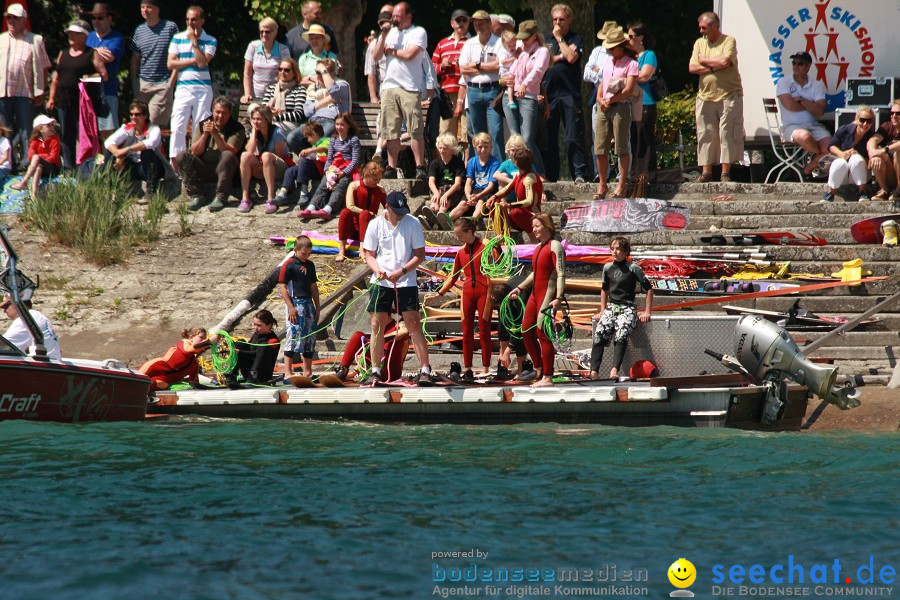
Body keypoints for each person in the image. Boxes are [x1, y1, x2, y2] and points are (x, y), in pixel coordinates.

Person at [362, 191, 433, 385]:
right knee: (377, 324)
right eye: (397, 211)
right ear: (388, 208)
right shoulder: (375, 224)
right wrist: (377, 270)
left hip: (406, 281)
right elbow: (369, 254)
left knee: (413, 324)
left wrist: (402, 271)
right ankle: (375, 370)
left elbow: (419, 255)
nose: (401, 214)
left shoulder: (412, 223)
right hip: (381, 281)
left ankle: (425, 369)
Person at [432, 217, 498, 381]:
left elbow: (499, 261)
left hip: (485, 291)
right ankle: (467, 368)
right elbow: (452, 277)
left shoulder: (485, 246)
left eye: (460, 235)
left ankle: (485, 368)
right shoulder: (461, 252)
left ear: (469, 232)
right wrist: (438, 294)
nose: (457, 239)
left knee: (484, 330)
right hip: (468, 292)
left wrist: (497, 246)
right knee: (467, 331)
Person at [372, 2, 429, 180]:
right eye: (393, 16)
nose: (393, 19)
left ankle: (420, 166)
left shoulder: (418, 32)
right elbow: (376, 56)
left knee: (415, 129)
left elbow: (410, 54)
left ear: (408, 16)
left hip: (410, 87)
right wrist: (383, 35)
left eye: (397, 15)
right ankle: (391, 166)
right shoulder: (390, 34)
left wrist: (393, 51)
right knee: (390, 130)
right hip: (389, 87)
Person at [507, 212, 565, 387]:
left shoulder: (555, 246)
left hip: (548, 293)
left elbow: (561, 273)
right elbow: (535, 273)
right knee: (525, 330)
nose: (534, 230)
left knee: (543, 333)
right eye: (533, 227)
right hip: (534, 294)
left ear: (547, 226)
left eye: (537, 226)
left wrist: (559, 298)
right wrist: (520, 287)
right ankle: (539, 368)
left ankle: (548, 377)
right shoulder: (538, 247)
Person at [688, 11, 743, 183]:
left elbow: (726, 62)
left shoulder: (729, 41)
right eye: (700, 28)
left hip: (729, 94)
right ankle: (706, 172)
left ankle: (725, 173)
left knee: (727, 133)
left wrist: (704, 61)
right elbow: (692, 67)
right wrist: (714, 66)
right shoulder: (699, 43)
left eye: (704, 27)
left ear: (714, 26)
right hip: (705, 96)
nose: (701, 31)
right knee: (706, 133)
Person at [46, 20, 107, 170]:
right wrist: (52, 98)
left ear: (84, 36)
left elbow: (104, 75)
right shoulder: (64, 53)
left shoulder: (92, 53)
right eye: (69, 34)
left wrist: (90, 76)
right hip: (64, 101)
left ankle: (89, 168)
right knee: (67, 135)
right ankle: (69, 167)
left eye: (75, 34)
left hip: (84, 104)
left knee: (86, 135)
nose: (71, 36)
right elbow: (56, 78)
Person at [590, 236, 652, 380]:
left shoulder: (633, 268)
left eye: (618, 249)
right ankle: (594, 372)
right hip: (613, 306)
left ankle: (614, 370)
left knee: (621, 334)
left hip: (628, 307)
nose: (614, 252)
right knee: (599, 333)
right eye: (612, 249)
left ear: (625, 251)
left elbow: (649, 288)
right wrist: (602, 310)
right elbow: (604, 289)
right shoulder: (607, 268)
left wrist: (647, 311)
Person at [0, 3, 51, 173]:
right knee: (5, 130)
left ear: (23, 20)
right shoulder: (1, 38)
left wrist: (41, 91)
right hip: (2, 92)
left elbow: (44, 67)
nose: (11, 21)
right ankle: (8, 163)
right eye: (9, 17)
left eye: (15, 17)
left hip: (25, 92)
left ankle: (26, 163)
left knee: (25, 130)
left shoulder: (34, 40)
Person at [543, 4, 589, 183]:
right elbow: (545, 63)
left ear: (569, 19)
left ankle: (579, 174)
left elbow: (571, 57)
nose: (557, 22)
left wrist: (560, 40)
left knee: (573, 137)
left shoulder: (576, 38)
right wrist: (559, 55)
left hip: (570, 94)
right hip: (549, 95)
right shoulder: (546, 40)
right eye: (555, 19)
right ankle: (551, 176)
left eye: (561, 19)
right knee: (549, 138)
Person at [177, 95, 246, 212]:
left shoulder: (237, 128)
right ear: (212, 111)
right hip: (205, 168)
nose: (220, 116)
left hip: (227, 170)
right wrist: (205, 135)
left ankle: (221, 197)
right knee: (182, 156)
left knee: (227, 155)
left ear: (230, 114)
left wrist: (215, 134)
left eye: (224, 113)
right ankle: (197, 195)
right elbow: (194, 151)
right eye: (217, 112)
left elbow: (230, 150)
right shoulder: (202, 124)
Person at [167, 6, 217, 163]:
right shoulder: (178, 38)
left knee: (199, 126)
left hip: (203, 88)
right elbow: (170, 63)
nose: (190, 23)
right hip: (183, 87)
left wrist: (194, 43)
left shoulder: (210, 40)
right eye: (188, 19)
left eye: (194, 19)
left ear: (202, 21)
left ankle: (196, 163)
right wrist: (192, 61)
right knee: (177, 125)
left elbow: (202, 63)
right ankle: (175, 164)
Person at [594, 26, 637, 199]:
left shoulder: (631, 64)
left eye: (613, 48)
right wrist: (600, 99)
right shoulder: (607, 63)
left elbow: (628, 90)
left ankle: (621, 185)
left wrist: (610, 100)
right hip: (604, 107)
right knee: (600, 148)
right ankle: (602, 185)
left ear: (621, 46)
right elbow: (601, 86)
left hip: (620, 107)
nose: (610, 51)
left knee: (621, 146)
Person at [297, 111, 360, 221]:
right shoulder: (334, 139)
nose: (339, 127)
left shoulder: (353, 140)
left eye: (342, 124)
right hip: (334, 167)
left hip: (347, 169)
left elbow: (355, 160)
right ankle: (311, 207)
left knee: (340, 186)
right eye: (337, 124)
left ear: (349, 125)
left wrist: (344, 172)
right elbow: (329, 158)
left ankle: (328, 209)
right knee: (323, 185)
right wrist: (327, 170)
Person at [459, 10, 504, 163]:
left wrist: (477, 65)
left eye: (481, 22)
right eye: (475, 23)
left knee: (496, 131)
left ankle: (499, 171)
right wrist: (487, 66)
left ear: (489, 23)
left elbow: (499, 66)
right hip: (473, 90)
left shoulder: (499, 42)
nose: (477, 25)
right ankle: (477, 169)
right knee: (476, 134)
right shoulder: (469, 43)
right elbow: (463, 68)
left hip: (493, 90)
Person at [775, 51, 830, 177]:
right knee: (805, 137)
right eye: (794, 63)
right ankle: (818, 156)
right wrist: (811, 104)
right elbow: (790, 106)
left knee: (831, 148)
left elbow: (820, 111)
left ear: (808, 66)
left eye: (800, 63)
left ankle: (808, 168)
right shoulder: (784, 82)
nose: (795, 66)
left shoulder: (817, 84)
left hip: (813, 125)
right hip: (791, 127)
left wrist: (802, 100)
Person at [507, 20, 549, 175]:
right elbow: (511, 71)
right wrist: (504, 79)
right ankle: (519, 172)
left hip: (529, 96)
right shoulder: (522, 53)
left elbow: (538, 71)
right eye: (521, 38)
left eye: (526, 38)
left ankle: (540, 173)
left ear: (534, 36)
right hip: (512, 95)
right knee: (515, 139)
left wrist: (524, 84)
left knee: (527, 139)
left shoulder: (542, 52)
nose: (522, 41)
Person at [104, 99, 165, 203]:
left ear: (145, 116)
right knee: (110, 154)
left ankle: (151, 193)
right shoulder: (128, 128)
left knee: (147, 152)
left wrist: (126, 149)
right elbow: (109, 142)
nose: (133, 117)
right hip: (134, 167)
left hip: (152, 167)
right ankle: (109, 192)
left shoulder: (154, 129)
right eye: (131, 114)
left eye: (137, 114)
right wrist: (118, 155)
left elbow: (150, 143)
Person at [130, 0, 178, 128]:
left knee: (154, 124)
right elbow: (135, 58)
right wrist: (135, 82)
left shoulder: (170, 27)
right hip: (143, 84)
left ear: (157, 9)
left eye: (149, 7)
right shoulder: (139, 31)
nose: (145, 10)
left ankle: (154, 148)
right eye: (142, 7)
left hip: (162, 84)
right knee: (139, 124)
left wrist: (171, 83)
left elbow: (178, 55)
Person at [277, 235, 320, 379]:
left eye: (309, 254)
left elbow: (313, 286)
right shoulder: (289, 264)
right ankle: (288, 373)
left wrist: (317, 307)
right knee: (293, 336)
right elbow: (283, 287)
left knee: (309, 337)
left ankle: (307, 372)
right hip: (295, 303)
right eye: (303, 253)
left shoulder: (310, 265)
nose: (306, 256)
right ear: (295, 249)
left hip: (308, 304)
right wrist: (290, 307)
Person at [238, 104, 289, 213]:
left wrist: (261, 169)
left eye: (259, 119)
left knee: (266, 155)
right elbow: (250, 151)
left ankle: (271, 199)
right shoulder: (255, 131)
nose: (256, 122)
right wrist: (254, 132)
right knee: (244, 156)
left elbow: (280, 156)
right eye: (254, 119)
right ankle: (245, 198)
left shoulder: (277, 132)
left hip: (279, 167)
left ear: (267, 120)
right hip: (264, 166)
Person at [84, 3, 125, 134]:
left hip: (107, 90)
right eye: (93, 18)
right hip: (87, 92)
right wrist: (96, 51)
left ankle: (109, 155)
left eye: (100, 18)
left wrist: (89, 52)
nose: (96, 21)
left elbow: (109, 57)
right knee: (88, 131)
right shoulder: (87, 36)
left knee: (107, 131)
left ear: (110, 18)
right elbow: (79, 56)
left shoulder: (117, 38)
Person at [822, 105, 876, 203]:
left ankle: (862, 192)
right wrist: (842, 154)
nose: (865, 124)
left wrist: (859, 156)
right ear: (856, 118)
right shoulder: (845, 129)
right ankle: (831, 193)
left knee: (856, 158)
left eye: (869, 121)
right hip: (842, 172)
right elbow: (831, 146)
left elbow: (871, 160)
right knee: (840, 162)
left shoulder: (872, 136)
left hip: (859, 174)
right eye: (862, 120)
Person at [488, 147, 542, 241]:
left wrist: (509, 205)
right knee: (494, 202)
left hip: (531, 216)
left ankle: (532, 237)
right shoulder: (518, 175)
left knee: (515, 212)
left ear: (517, 163)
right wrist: (494, 196)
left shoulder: (529, 178)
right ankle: (501, 234)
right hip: (518, 218)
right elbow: (507, 189)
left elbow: (529, 201)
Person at [139, 326, 218, 391]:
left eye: (205, 339)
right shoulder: (184, 343)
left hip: (165, 379)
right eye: (201, 337)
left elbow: (194, 383)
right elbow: (189, 350)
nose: (203, 340)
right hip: (154, 367)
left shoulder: (194, 365)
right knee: (135, 382)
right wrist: (208, 342)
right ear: (191, 337)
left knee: (144, 387)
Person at [432, 9, 469, 142]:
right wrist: (441, 65)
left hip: (468, 92)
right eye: (458, 20)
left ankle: (467, 163)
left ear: (469, 23)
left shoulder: (472, 42)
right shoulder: (442, 43)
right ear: (452, 23)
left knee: (467, 133)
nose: (461, 23)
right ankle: (447, 163)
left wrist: (464, 63)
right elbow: (431, 69)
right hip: (447, 93)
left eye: (464, 20)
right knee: (446, 133)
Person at [337, 160, 386, 262]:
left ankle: (362, 249)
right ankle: (342, 249)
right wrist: (366, 212)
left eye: (379, 179)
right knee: (345, 212)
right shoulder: (354, 186)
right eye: (375, 179)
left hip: (370, 228)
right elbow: (350, 206)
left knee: (365, 214)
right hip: (353, 229)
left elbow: (388, 207)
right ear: (366, 175)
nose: (377, 182)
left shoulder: (380, 189)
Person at [629, 22, 660, 183]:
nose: (628, 40)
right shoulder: (632, 57)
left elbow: (644, 76)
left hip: (646, 102)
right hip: (633, 102)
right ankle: (635, 174)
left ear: (640, 37)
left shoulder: (649, 55)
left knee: (645, 139)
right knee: (635, 139)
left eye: (631, 36)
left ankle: (648, 175)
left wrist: (627, 77)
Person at [274, 121, 329, 210]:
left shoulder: (326, 140)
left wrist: (310, 151)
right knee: (291, 170)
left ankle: (304, 192)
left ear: (314, 134)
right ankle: (283, 193)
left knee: (304, 160)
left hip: (321, 168)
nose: (307, 140)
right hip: (311, 168)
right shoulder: (314, 145)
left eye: (308, 137)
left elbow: (325, 148)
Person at [335, 320, 409, 383]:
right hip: (374, 367)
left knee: (384, 342)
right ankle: (342, 370)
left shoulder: (399, 325)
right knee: (358, 335)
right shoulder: (377, 328)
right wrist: (354, 373)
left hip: (390, 370)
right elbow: (369, 353)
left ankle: (375, 372)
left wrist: (376, 340)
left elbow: (404, 331)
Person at [223, 310, 280, 387]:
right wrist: (232, 345)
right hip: (248, 372)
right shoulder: (256, 334)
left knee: (263, 347)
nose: (255, 328)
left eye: (259, 326)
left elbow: (257, 354)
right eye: (254, 325)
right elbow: (248, 349)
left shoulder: (273, 340)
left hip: (261, 374)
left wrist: (240, 352)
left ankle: (252, 377)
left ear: (269, 326)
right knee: (240, 342)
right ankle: (232, 374)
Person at [262, 58, 308, 154]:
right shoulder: (271, 88)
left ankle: (272, 154)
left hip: (290, 124)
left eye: (286, 70)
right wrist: (269, 113)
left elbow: (299, 114)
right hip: (269, 119)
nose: (282, 72)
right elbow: (262, 108)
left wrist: (278, 117)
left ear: (294, 72)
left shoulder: (299, 90)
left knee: (275, 127)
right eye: (280, 69)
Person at [420, 132, 464, 229]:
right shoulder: (435, 163)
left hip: (453, 190)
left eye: (445, 148)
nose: (441, 151)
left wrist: (445, 195)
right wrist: (436, 193)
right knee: (435, 204)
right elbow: (431, 181)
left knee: (444, 204)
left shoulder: (458, 163)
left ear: (452, 149)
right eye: (440, 148)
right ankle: (431, 218)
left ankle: (440, 217)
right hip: (439, 189)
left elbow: (457, 184)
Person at [241, 17, 290, 102]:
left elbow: (286, 74)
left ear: (275, 32)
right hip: (255, 96)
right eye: (261, 31)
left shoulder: (283, 50)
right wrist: (247, 94)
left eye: (267, 32)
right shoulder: (253, 46)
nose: (264, 34)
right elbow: (247, 73)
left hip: (275, 96)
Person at [11, 114, 60, 198]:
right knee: (38, 167)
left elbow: (54, 157)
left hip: (53, 168)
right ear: (40, 129)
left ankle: (24, 182)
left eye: (52, 125)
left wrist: (40, 158)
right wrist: (42, 157)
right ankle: (34, 194)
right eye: (48, 125)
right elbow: (30, 157)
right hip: (39, 167)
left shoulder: (54, 140)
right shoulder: (35, 141)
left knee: (36, 158)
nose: (52, 127)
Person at [1, 295, 61, 360]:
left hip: (42, 365)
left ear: (17, 304)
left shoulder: (25, 319)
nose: (4, 311)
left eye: (6, 307)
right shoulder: (39, 316)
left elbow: (3, 345)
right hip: (50, 363)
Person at [302, 58, 350, 137]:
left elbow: (333, 91)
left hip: (332, 121)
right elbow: (307, 112)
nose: (320, 75)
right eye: (318, 72)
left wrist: (323, 69)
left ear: (333, 73)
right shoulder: (312, 88)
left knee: (321, 137)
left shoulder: (341, 85)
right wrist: (328, 100)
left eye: (324, 72)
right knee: (292, 138)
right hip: (313, 122)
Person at [456, 131, 498, 220]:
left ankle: (472, 221)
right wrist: (468, 196)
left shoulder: (495, 163)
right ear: (475, 147)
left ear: (490, 146)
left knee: (480, 203)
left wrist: (477, 196)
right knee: (462, 204)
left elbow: (491, 186)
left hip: (487, 192)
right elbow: (468, 182)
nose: (483, 150)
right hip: (475, 190)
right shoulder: (472, 161)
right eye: (480, 147)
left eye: (486, 147)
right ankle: (447, 219)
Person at [866, 98, 900, 201]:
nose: (894, 116)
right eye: (892, 113)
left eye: (898, 113)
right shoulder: (887, 126)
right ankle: (884, 190)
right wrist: (873, 153)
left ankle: (899, 190)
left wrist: (883, 150)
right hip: (890, 172)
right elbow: (873, 140)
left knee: (898, 153)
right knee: (877, 156)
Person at [365, 7, 393, 103]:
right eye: (381, 23)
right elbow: (371, 72)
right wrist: (373, 97)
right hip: (386, 87)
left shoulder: (403, 39)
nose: (385, 26)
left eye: (387, 22)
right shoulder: (374, 44)